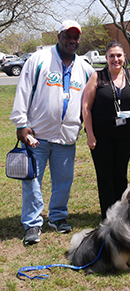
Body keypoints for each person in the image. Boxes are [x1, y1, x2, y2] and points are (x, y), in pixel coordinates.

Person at [10, 20, 95, 245]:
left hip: (66, 137)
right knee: (32, 180)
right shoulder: (39, 60)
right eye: (68, 36)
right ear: (59, 36)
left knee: (64, 180)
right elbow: (23, 90)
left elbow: (91, 101)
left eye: (76, 37)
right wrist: (21, 123)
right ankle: (32, 223)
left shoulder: (84, 67)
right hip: (38, 134)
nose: (72, 41)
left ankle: (57, 217)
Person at [81, 40, 130, 220]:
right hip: (101, 136)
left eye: (119, 55)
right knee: (105, 175)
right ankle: (108, 216)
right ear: (106, 58)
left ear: (125, 57)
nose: (116, 59)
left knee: (121, 174)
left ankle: (121, 213)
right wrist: (90, 135)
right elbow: (86, 107)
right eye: (112, 56)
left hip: (125, 135)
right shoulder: (97, 77)